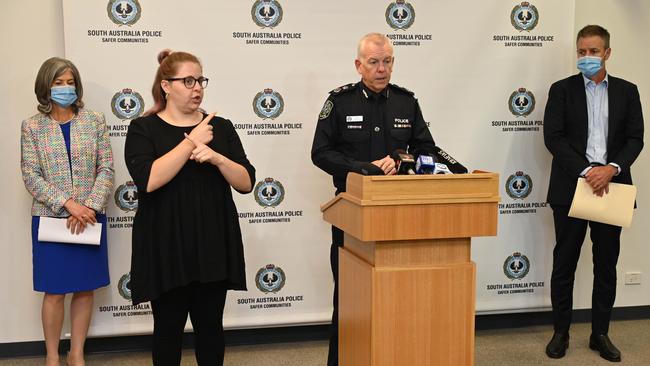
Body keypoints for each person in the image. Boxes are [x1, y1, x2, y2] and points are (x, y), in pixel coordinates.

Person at [311, 32, 436, 365]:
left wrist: (402, 161)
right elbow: (320, 153)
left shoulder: (406, 101)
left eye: (387, 61)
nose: (382, 69)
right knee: (351, 296)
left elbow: (427, 150)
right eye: (374, 62)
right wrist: (364, 168)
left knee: (398, 295)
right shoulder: (339, 102)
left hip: (399, 211)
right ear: (359, 65)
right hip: (353, 211)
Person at [124, 49, 255, 366]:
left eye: (200, 80)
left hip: (211, 244)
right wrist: (190, 143)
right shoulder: (143, 128)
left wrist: (217, 157)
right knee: (167, 331)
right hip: (165, 246)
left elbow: (246, 182)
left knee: (211, 329)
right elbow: (150, 179)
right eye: (188, 80)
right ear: (166, 86)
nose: (197, 87)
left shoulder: (219, 128)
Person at [543, 25, 644, 362]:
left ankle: (600, 333)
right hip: (573, 186)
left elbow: (635, 139)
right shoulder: (561, 90)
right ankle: (561, 332)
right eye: (582, 51)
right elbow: (553, 137)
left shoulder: (628, 91)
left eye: (593, 52)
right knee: (564, 263)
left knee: (606, 265)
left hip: (612, 187)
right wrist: (588, 171)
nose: (586, 57)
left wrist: (610, 168)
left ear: (607, 53)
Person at [21, 57, 114, 366]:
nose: (65, 87)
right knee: (54, 291)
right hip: (51, 219)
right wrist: (68, 204)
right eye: (58, 82)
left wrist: (88, 206)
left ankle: (76, 353)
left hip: (89, 216)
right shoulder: (32, 126)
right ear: (45, 86)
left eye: (70, 81)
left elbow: (107, 168)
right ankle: (51, 356)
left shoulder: (95, 120)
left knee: (85, 288)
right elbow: (31, 175)